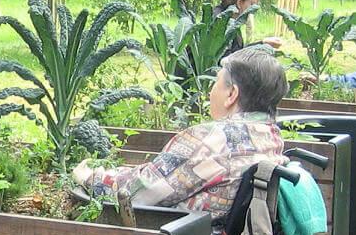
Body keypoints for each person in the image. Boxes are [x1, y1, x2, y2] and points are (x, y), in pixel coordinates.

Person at [73, 47, 287, 225]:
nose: (211, 91)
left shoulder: (214, 139)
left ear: (231, 94)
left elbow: (142, 191)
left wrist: (91, 178)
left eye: (216, 82)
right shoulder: (270, 137)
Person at [215, 0, 283, 56]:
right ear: (240, 2)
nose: (252, 10)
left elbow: (237, 52)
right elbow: (227, 59)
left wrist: (263, 43)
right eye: (251, 4)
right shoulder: (220, 23)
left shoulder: (231, 19)